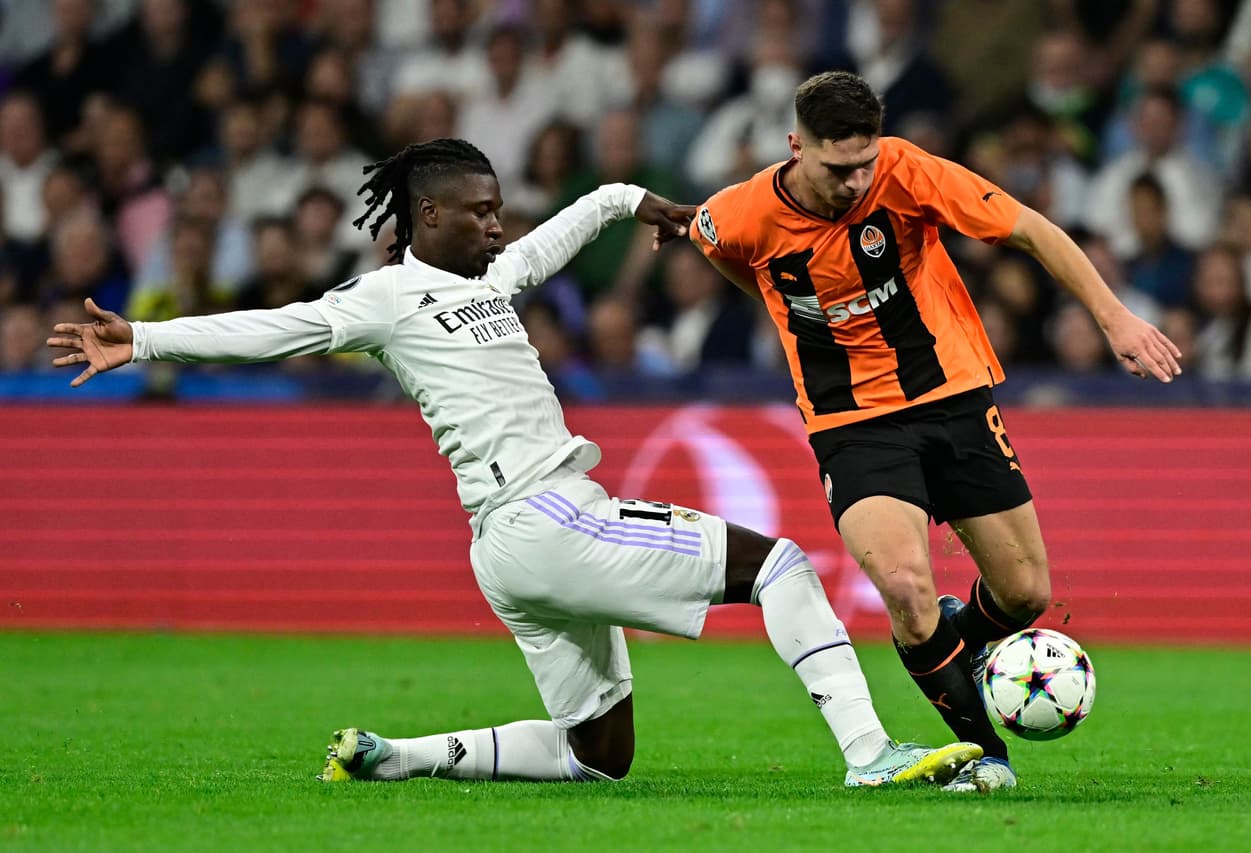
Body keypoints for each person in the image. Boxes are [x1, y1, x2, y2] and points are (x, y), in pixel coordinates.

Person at [47, 138, 979, 789]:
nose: (497, 227)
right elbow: (277, 330)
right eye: (480, 212)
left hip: (511, 548)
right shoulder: (388, 298)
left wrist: (629, 200)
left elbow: (560, 234)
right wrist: (145, 340)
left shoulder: (488, 281)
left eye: (499, 211)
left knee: (598, 754)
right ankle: (869, 752)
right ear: (428, 214)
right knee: (779, 566)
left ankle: (390, 756)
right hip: (544, 516)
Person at [689, 71, 1182, 793]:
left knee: (1025, 593)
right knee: (905, 587)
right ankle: (986, 754)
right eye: (837, 168)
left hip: (951, 394)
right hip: (851, 421)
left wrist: (1116, 320)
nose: (856, 182)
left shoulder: (908, 172)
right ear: (797, 146)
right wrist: (789, 306)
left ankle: (959, 639)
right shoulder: (739, 213)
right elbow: (713, 243)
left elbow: (1033, 229)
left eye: (865, 162)